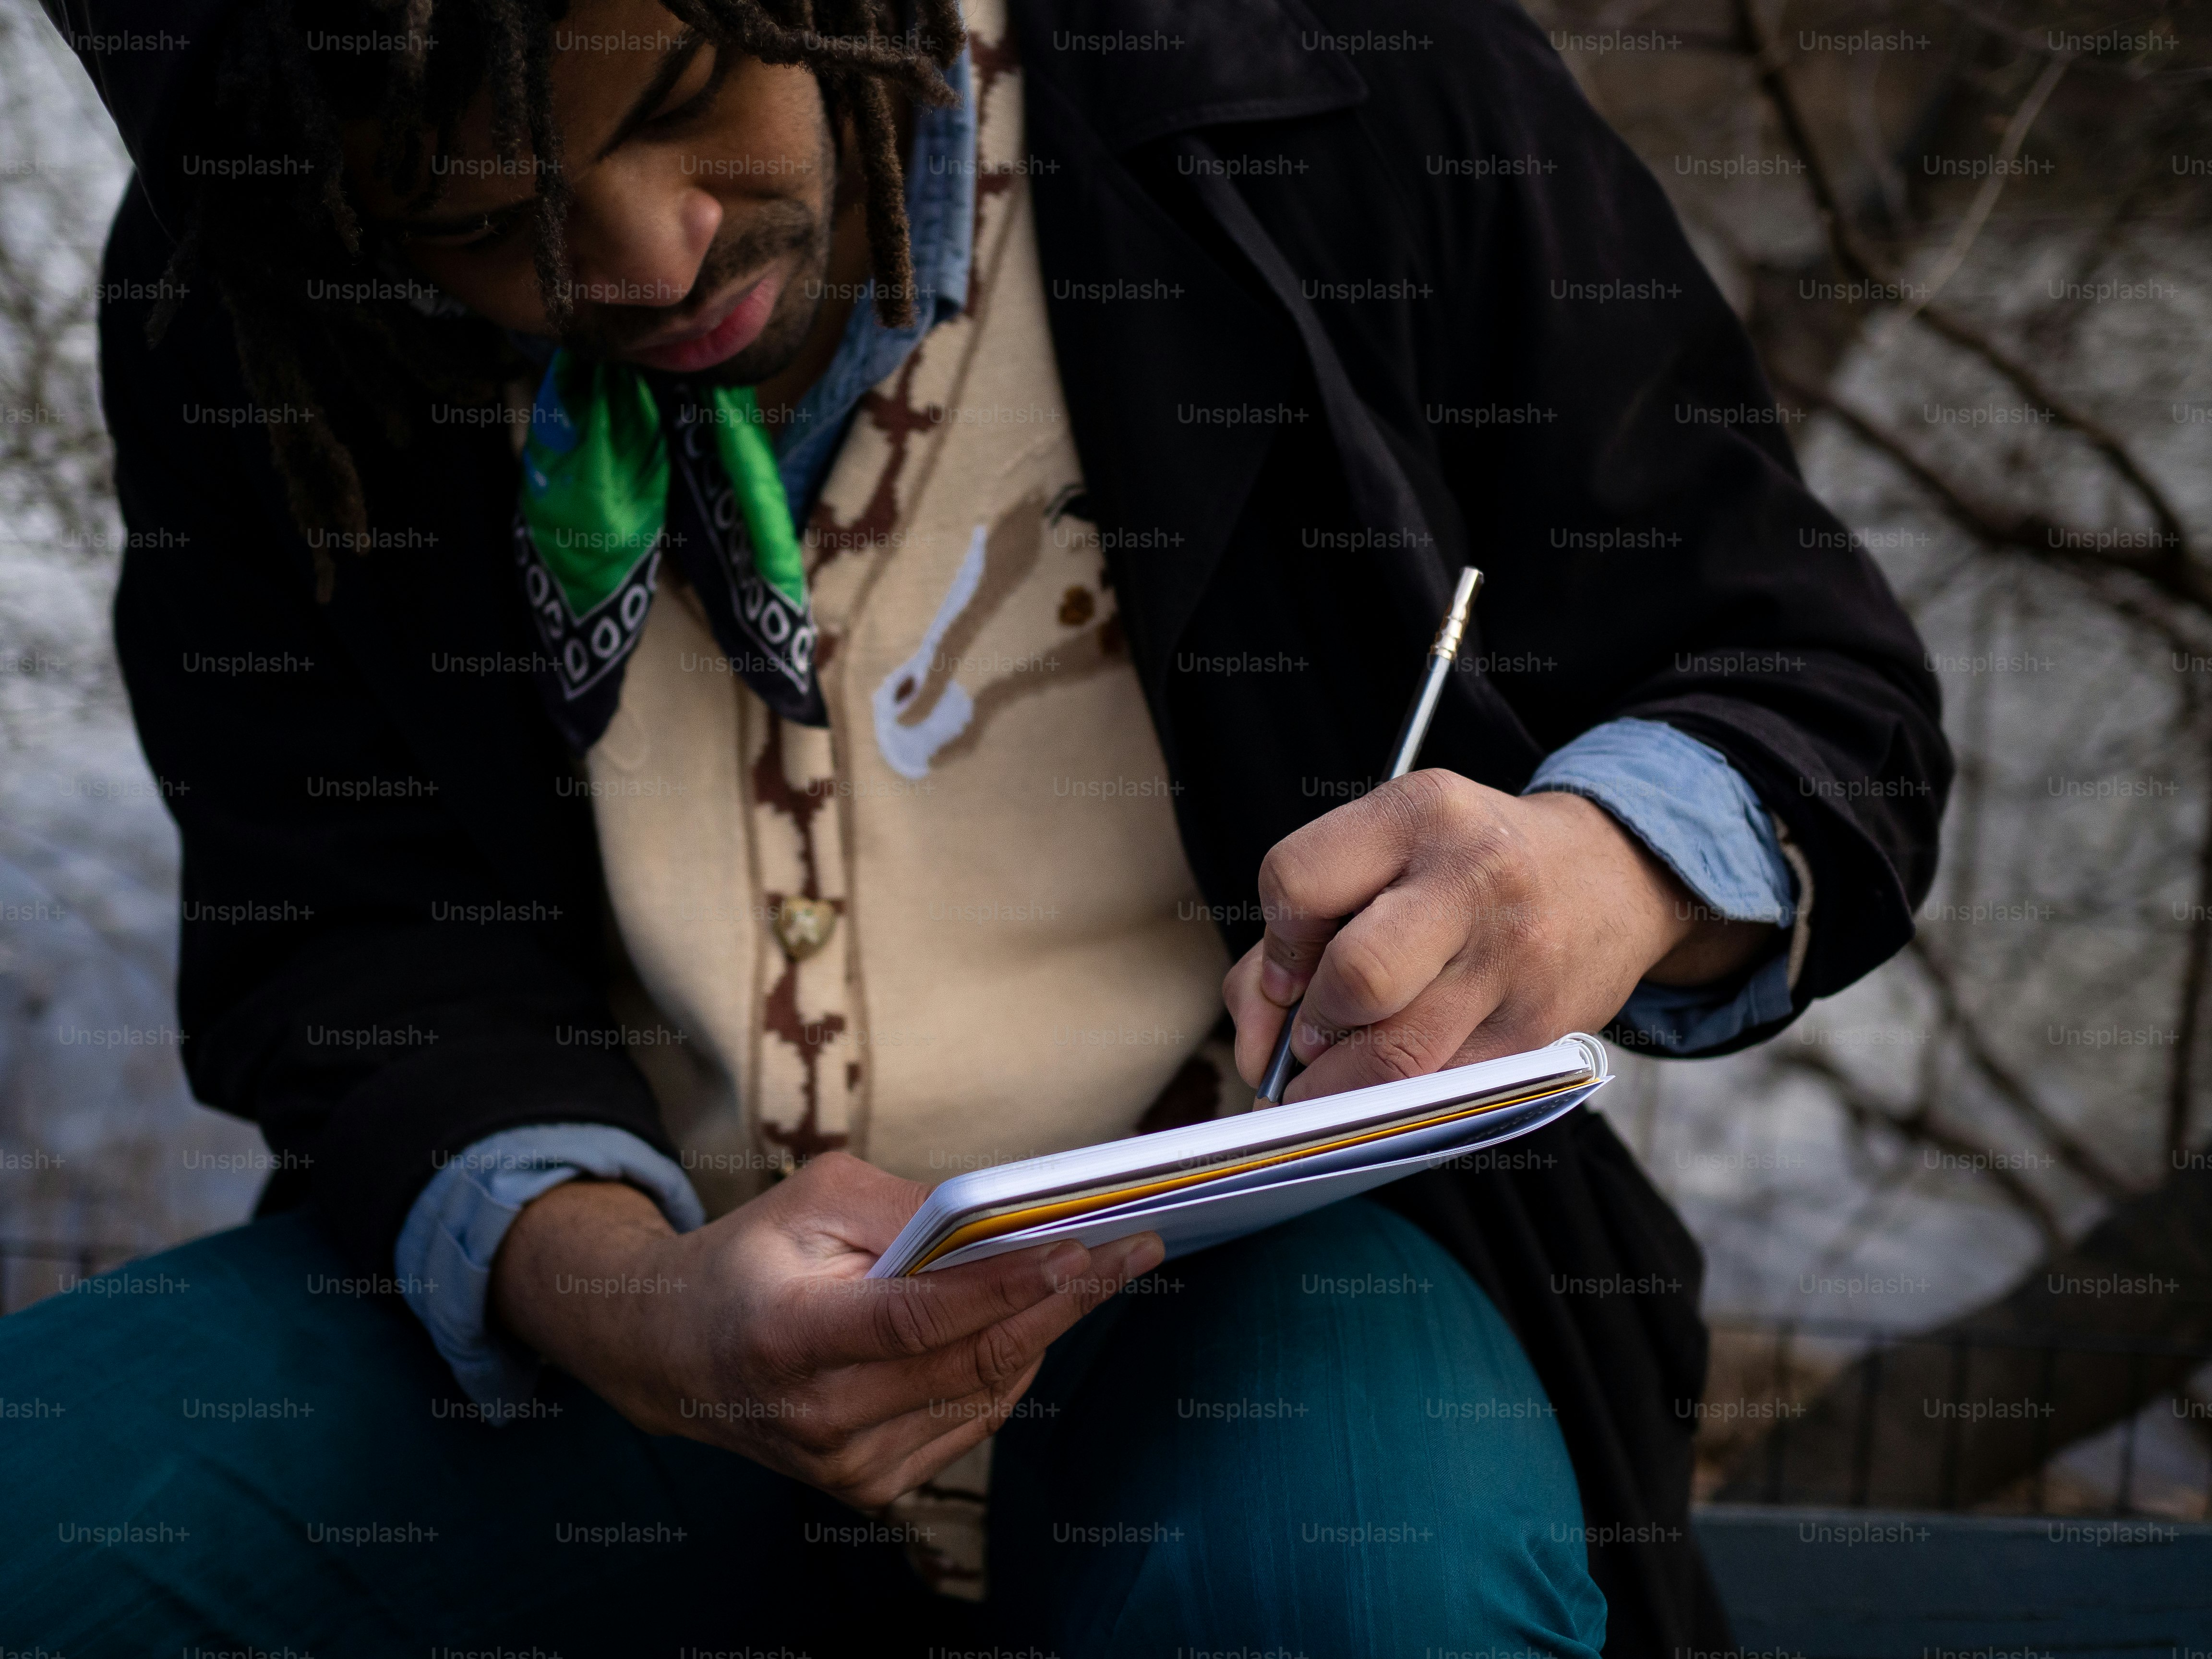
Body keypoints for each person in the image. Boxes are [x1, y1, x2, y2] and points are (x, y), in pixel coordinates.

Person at [2, 0, 1948, 1652]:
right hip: (610, 1326)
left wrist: (1596, 879)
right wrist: (632, 1300)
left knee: (1353, 1592)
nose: (650, 257)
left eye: (689, 103)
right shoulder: (256, 295)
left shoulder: (1336, 73)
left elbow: (1810, 695)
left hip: (1280, 1282)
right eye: (489, 218)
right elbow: (339, 944)